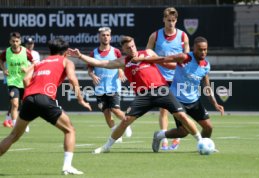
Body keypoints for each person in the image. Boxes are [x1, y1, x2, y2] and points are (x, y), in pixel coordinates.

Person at [68, 36, 202, 154]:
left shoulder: (147, 52)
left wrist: (182, 67)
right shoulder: (123, 62)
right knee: (126, 121)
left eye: (132, 46)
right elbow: (100, 63)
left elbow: (165, 62)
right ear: (124, 50)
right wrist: (80, 56)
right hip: (143, 95)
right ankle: (106, 147)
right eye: (128, 48)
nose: (131, 49)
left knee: (181, 115)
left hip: (162, 90)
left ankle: (200, 142)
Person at [0, 38, 92, 175]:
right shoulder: (66, 61)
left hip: (29, 99)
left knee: (13, 135)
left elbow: (26, 80)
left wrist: (31, 96)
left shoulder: (39, 62)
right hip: (45, 99)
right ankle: (67, 166)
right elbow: (73, 79)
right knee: (70, 130)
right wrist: (81, 99)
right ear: (66, 51)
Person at [131, 36, 224, 148]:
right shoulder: (184, 57)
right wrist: (142, 59)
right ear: (194, 48)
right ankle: (160, 135)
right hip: (178, 101)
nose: (203, 52)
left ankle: (204, 146)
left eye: (205, 49)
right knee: (184, 132)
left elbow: (207, 86)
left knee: (208, 127)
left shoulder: (206, 66)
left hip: (194, 101)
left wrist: (215, 103)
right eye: (200, 49)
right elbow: (163, 60)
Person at [146, 7, 190, 150]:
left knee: (178, 110)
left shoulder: (183, 36)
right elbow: (147, 53)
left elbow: (187, 58)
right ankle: (164, 139)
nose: (171, 23)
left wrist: (177, 66)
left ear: (176, 20)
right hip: (160, 78)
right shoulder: (155, 36)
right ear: (163, 19)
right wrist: (156, 61)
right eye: (168, 20)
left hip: (178, 78)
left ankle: (177, 137)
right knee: (163, 110)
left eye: (173, 20)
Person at [88, 27, 132, 142]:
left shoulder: (115, 51)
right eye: (103, 35)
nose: (105, 37)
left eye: (107, 35)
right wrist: (92, 76)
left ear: (110, 37)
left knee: (116, 110)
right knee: (106, 113)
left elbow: (121, 64)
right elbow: (90, 69)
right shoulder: (94, 53)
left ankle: (126, 124)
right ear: (99, 37)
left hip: (113, 86)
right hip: (100, 89)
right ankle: (116, 134)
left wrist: (121, 71)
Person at [0, 32, 34, 132]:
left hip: (24, 82)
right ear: (10, 41)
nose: (15, 43)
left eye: (17, 41)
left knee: (25, 106)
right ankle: (16, 126)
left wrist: (28, 69)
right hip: (12, 82)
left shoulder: (25, 51)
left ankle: (24, 124)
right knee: (15, 104)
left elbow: (34, 63)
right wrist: (3, 69)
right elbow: (0, 61)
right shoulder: (6, 52)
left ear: (20, 42)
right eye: (13, 41)